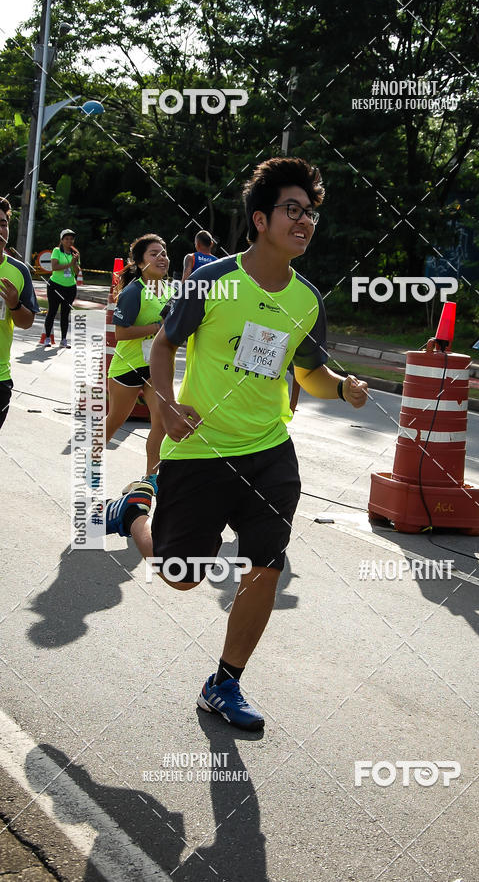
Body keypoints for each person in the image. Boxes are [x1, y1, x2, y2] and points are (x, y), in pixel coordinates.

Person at [102, 157, 368, 731]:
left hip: (269, 452)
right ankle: (134, 512)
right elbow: (164, 344)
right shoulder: (213, 281)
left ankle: (225, 683)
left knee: (265, 566)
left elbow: (307, 373)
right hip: (201, 449)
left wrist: (341, 387)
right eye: (292, 210)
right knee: (181, 574)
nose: (305, 221)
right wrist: (165, 405)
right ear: (260, 219)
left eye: (310, 212)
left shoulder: (307, 300)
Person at [106, 233, 175, 495]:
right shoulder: (134, 292)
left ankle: (150, 478)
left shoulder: (171, 290)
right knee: (115, 420)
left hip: (155, 368)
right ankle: (91, 460)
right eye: (154, 254)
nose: (162, 258)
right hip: (128, 367)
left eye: (164, 253)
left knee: (161, 422)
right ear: (139, 262)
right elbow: (121, 333)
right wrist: (157, 327)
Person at [0, 198, 39, 430]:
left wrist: (14, 304)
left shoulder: (19, 270)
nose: (0, 230)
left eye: (3, 224)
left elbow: (26, 323)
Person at [41, 228, 79, 348]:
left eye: (71, 239)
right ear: (62, 240)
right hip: (55, 286)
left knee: (65, 313)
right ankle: (47, 338)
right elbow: (54, 267)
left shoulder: (75, 253)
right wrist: (70, 264)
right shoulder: (56, 251)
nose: (69, 241)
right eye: (66, 239)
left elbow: (77, 272)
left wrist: (75, 262)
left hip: (70, 287)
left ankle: (63, 340)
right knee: (52, 311)